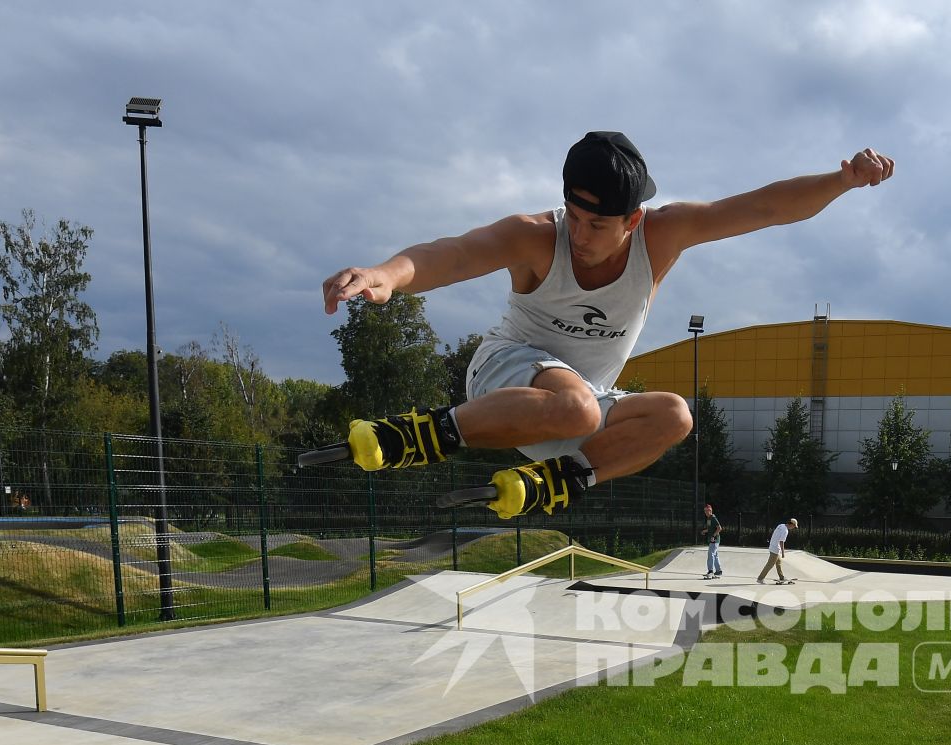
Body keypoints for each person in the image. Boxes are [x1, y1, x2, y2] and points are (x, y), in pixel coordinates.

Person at [320, 132, 895, 520]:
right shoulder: (535, 236)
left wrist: (841, 181)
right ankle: (410, 437)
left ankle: (558, 481)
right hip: (504, 375)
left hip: (579, 403)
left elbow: (762, 209)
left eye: (598, 224)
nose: (580, 235)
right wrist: (387, 274)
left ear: (633, 220)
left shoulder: (663, 236)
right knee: (579, 406)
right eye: (573, 216)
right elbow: (457, 252)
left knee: (673, 415)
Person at [757, 518, 797, 584]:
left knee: (778, 563)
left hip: (772, 546)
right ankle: (760, 579)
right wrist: (783, 552)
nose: (793, 528)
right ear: (791, 524)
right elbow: (782, 542)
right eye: (794, 526)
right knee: (769, 565)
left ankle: (782, 577)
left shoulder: (781, 525)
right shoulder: (785, 531)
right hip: (775, 549)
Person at [701, 502, 723, 579]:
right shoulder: (709, 519)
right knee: (715, 555)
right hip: (713, 539)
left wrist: (713, 536)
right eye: (705, 511)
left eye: (707, 511)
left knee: (711, 554)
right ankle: (718, 571)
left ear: (710, 511)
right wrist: (705, 531)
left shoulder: (713, 518)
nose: (706, 512)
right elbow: (711, 528)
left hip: (715, 539)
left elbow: (719, 528)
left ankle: (710, 571)